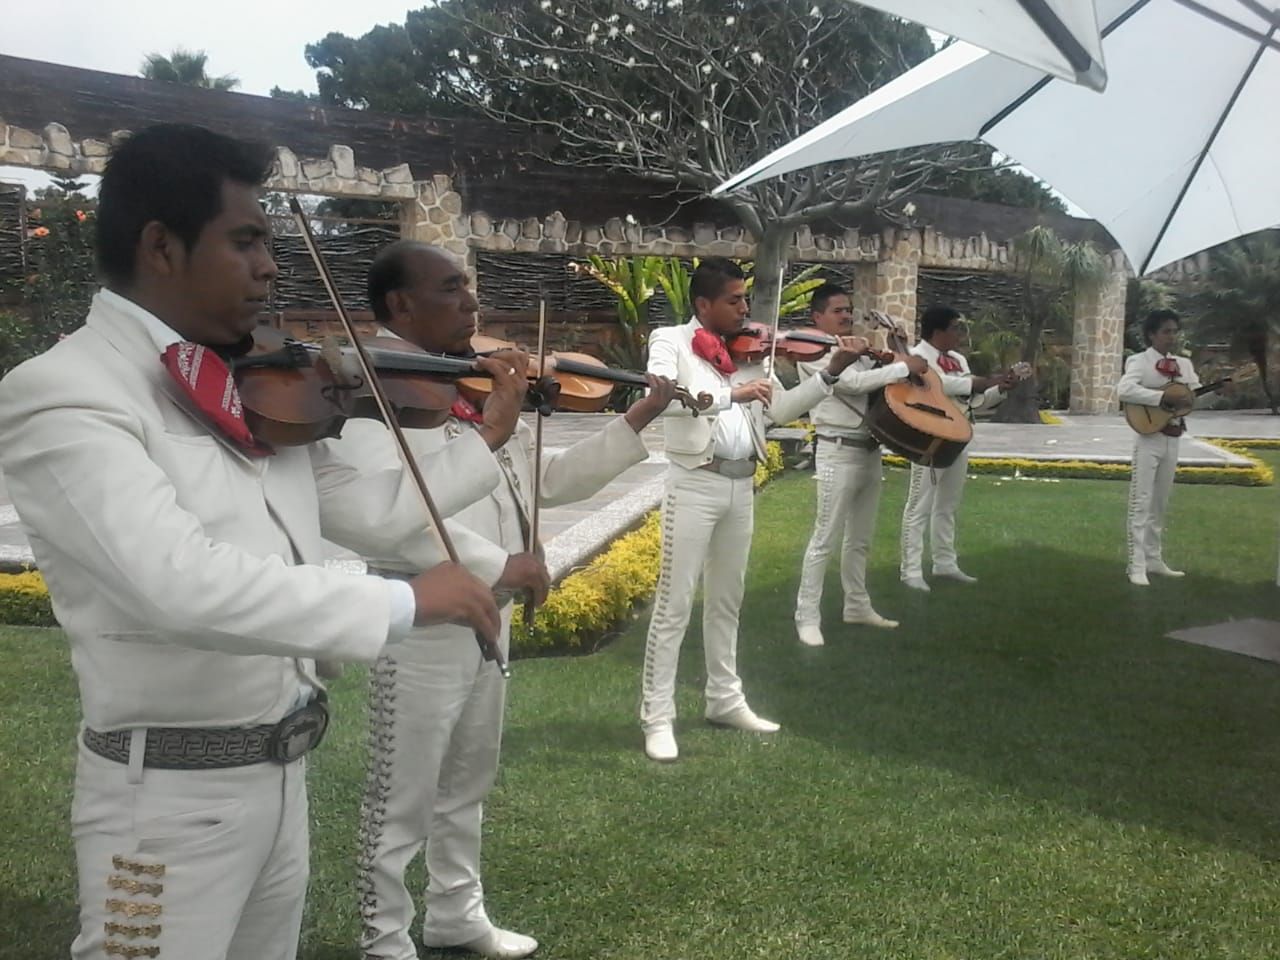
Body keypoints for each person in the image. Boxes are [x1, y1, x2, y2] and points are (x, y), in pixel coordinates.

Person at [0, 124, 532, 960]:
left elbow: (383, 514)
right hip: (165, 807)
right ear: (161, 246)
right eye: (246, 241)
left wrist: (478, 440)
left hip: (281, 779)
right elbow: (175, 584)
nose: (270, 267)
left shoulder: (247, 389)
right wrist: (402, 598)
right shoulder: (64, 395)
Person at [353, 240, 677, 960]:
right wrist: (507, 562)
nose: (471, 302)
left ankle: (455, 913)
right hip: (423, 618)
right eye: (450, 289)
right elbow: (397, 519)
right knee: (401, 790)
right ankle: (383, 938)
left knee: (468, 777)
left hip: (488, 614)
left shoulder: (468, 386)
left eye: (468, 288)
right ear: (400, 305)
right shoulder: (369, 391)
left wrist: (635, 421)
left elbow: (546, 479)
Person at [640, 258, 865, 762]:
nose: (746, 309)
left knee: (727, 600)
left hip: (742, 486)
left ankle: (725, 699)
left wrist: (831, 371)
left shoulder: (751, 354)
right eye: (734, 300)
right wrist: (729, 392)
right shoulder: (670, 340)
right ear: (704, 305)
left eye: (745, 299)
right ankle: (657, 717)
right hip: (694, 482)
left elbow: (781, 410)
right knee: (675, 605)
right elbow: (661, 397)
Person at [792, 283, 929, 645]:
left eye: (849, 310)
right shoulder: (814, 353)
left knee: (860, 539)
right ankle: (806, 615)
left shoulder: (857, 349)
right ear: (817, 316)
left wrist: (900, 348)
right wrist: (900, 367)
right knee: (824, 537)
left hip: (869, 449)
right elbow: (851, 384)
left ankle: (857, 605)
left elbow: (908, 376)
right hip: (836, 450)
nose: (847, 316)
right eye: (838, 310)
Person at [899, 305, 1012, 591]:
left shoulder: (959, 359)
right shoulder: (917, 357)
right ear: (938, 332)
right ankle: (911, 570)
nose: (961, 335)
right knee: (918, 505)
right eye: (956, 328)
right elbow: (940, 385)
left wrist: (1001, 388)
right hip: (931, 438)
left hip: (960, 437)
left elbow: (974, 401)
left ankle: (945, 563)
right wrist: (982, 381)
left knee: (947, 505)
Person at [1117, 309, 1199, 586]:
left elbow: (1192, 402)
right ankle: (1136, 565)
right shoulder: (1139, 361)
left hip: (1174, 438)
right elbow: (1125, 390)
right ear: (1151, 334)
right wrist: (1161, 398)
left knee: (1160, 503)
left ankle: (1154, 558)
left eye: (1175, 331)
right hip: (1149, 436)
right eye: (1166, 331)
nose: (1172, 336)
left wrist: (1218, 393)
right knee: (1141, 501)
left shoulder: (1184, 365)